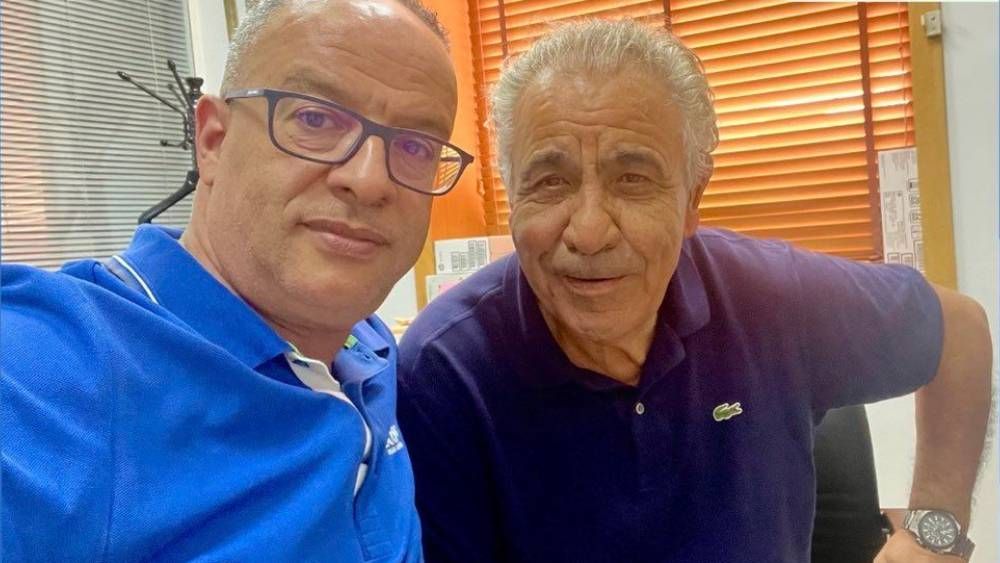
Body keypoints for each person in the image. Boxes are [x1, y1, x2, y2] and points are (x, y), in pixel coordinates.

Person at [396, 19, 992, 563]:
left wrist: (932, 534)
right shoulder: (445, 371)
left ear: (691, 200)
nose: (588, 232)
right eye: (550, 182)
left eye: (633, 179)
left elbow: (959, 330)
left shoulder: (772, 297)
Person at [1, 0, 473, 560]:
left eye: (415, 146)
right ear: (213, 141)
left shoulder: (369, 349)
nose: (370, 181)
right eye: (315, 120)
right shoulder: (57, 368)